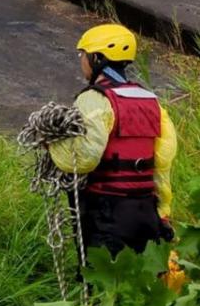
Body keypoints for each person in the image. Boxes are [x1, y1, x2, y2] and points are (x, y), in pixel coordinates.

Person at [48, 24, 177, 256]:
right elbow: (163, 160)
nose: (82, 61)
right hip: (146, 211)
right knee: (141, 284)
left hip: (107, 213)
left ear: (97, 58)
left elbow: (84, 158)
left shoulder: (94, 99)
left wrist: (51, 144)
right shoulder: (151, 101)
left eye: (83, 55)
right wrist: (162, 209)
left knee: (101, 284)